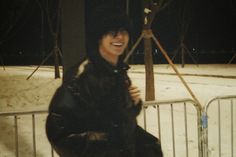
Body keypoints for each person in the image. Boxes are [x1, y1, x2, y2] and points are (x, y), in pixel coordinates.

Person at [46, 4, 163, 157]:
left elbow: (116, 119)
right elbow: (59, 133)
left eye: (123, 31)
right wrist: (105, 144)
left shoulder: (118, 72)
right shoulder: (82, 76)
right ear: (99, 37)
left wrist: (133, 104)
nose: (119, 37)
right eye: (112, 32)